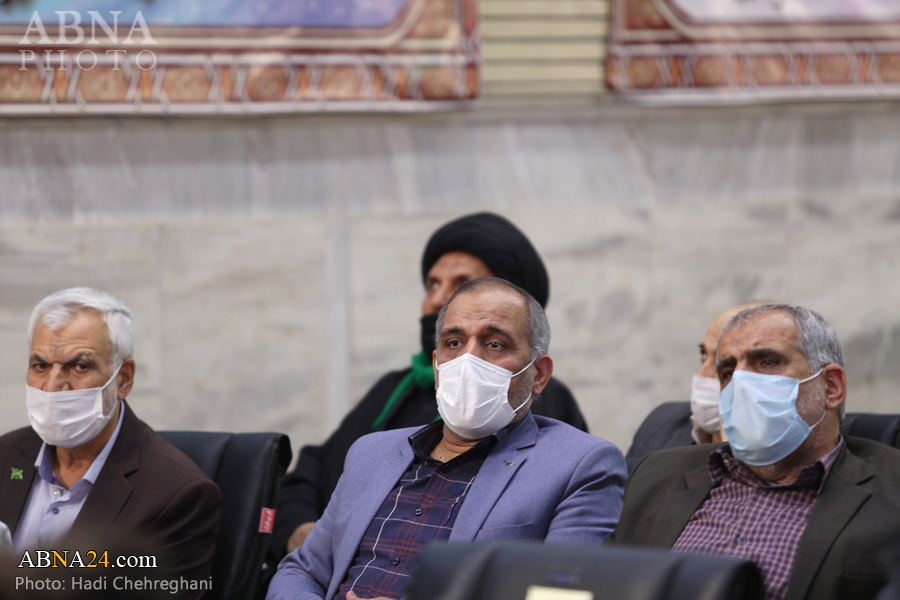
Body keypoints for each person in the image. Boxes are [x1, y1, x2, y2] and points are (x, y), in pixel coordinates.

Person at [267, 278, 626, 600]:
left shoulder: (580, 465)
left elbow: (563, 595)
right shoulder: (371, 452)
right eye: (454, 342)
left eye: (495, 344)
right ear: (437, 364)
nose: (468, 360)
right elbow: (301, 571)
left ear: (538, 375)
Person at [273, 212, 588, 555]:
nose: (438, 299)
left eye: (460, 284)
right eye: (432, 284)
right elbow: (315, 468)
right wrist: (302, 533)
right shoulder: (396, 387)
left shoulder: (533, 398)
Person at [610, 304, 900, 600]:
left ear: (831, 387)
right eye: (728, 372)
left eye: (767, 362)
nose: (741, 384)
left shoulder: (892, 492)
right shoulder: (654, 475)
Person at [0, 288, 221, 589]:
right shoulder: (5, 456)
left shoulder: (176, 495)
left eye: (80, 366)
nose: (52, 386)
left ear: (123, 379)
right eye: (41, 366)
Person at [625, 302, 764, 459]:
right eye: (704, 354)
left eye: (725, 362)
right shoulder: (663, 423)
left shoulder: (779, 454)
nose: (702, 373)